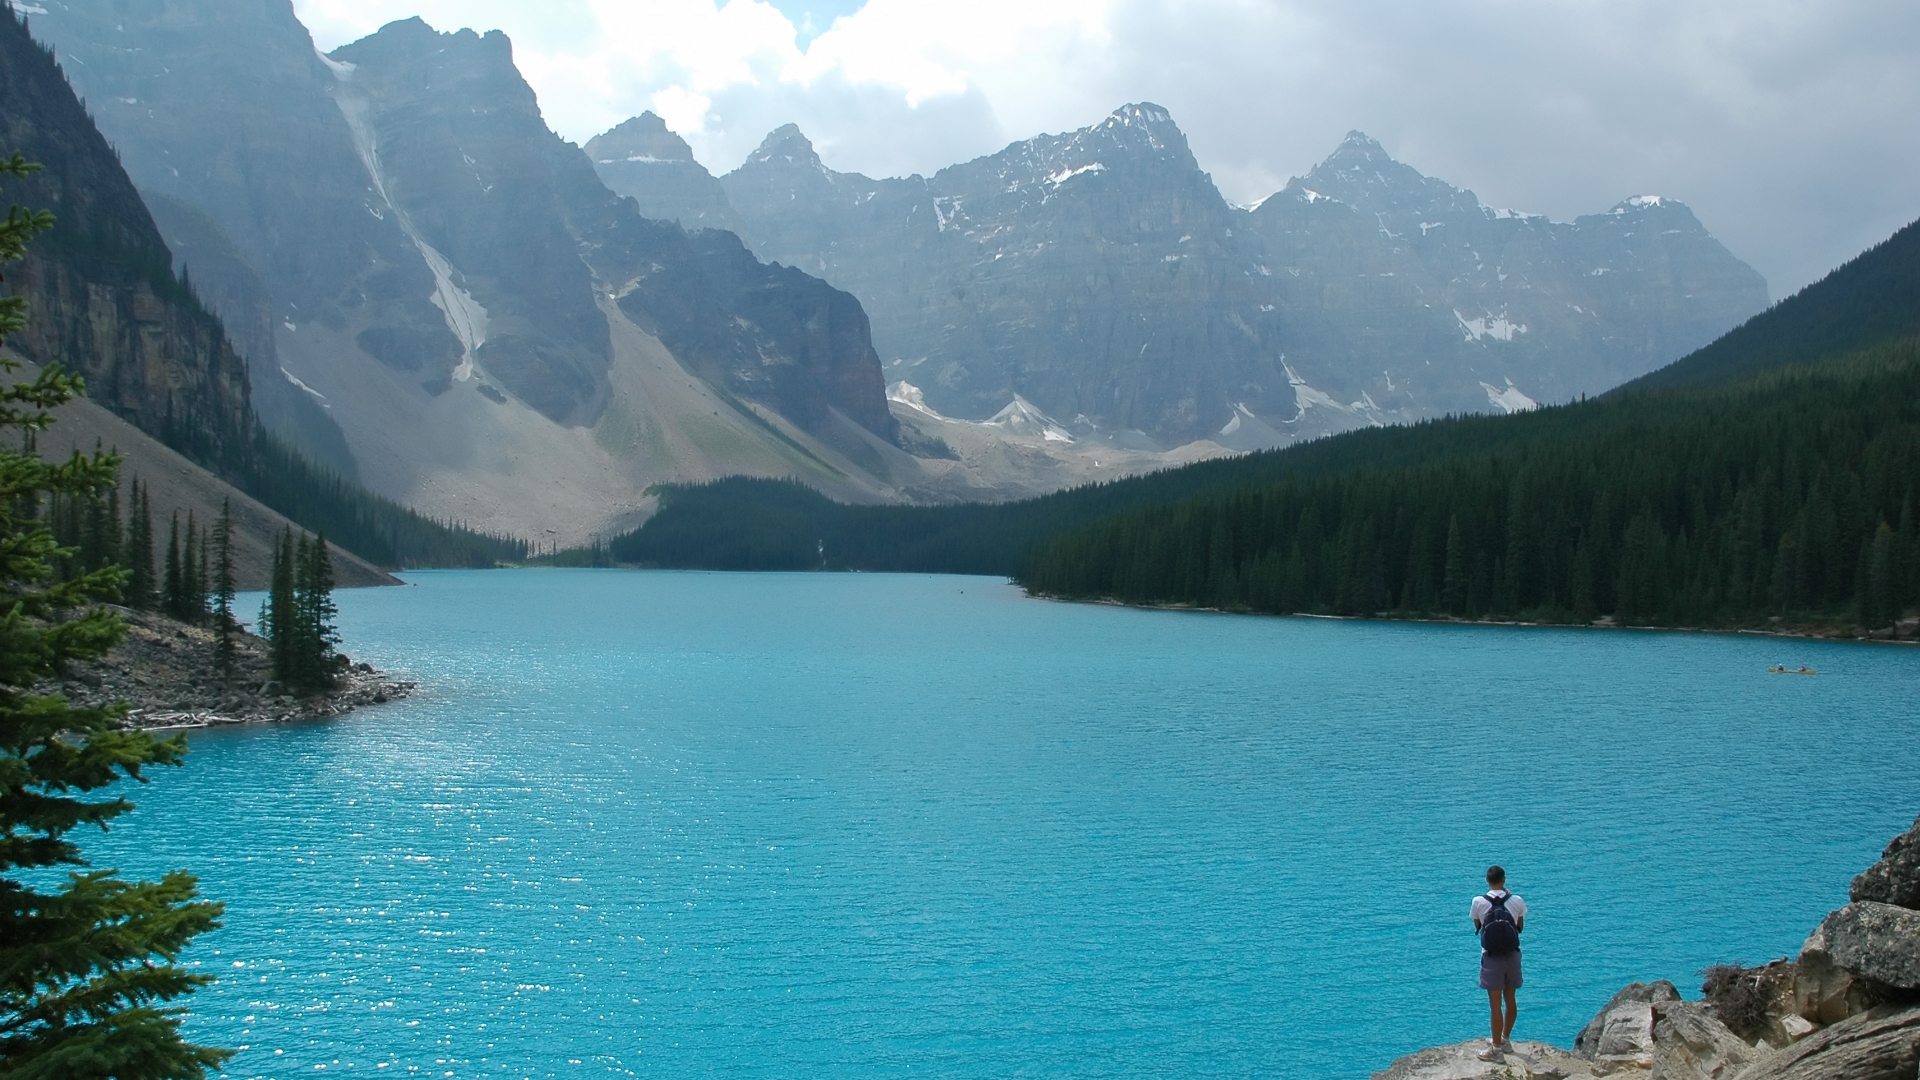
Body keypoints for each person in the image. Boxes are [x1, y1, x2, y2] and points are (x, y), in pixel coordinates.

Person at [1471, 865, 1526, 1059]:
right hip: (1512, 955)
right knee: (1510, 1000)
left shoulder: (1478, 901)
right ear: (1504, 879)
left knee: (1495, 1005)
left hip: (1491, 957)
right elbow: (1520, 926)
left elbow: (1478, 925)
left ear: (1487, 880)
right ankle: (1505, 1040)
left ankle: (1495, 1050)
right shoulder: (1516, 900)